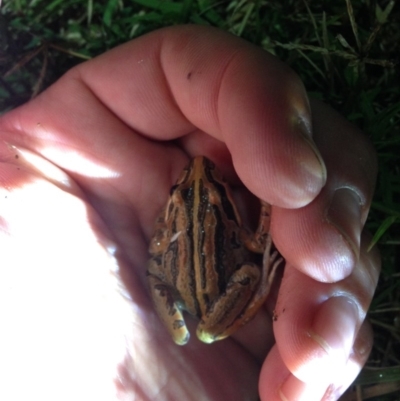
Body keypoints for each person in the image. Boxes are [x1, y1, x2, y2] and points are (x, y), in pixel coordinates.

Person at [0, 25, 380, 401]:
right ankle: (239, 304)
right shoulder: (224, 226)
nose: (201, 175)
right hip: (213, 299)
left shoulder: (171, 227)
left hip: (195, 296)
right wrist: (267, 207)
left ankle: (202, 322)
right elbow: (257, 240)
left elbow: (175, 249)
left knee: (250, 272)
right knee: (249, 271)